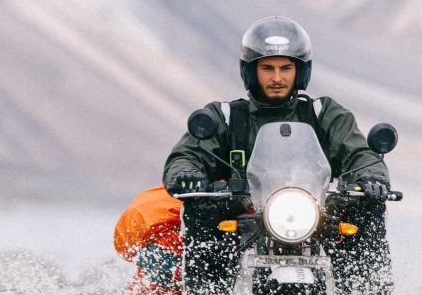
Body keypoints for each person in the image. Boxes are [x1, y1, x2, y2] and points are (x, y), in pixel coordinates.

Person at [162, 17, 390, 198]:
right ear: (251, 72)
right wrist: (186, 173)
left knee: (365, 207)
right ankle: (199, 259)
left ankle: (368, 259)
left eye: (286, 68)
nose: (277, 77)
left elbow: (359, 153)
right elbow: (188, 154)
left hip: (314, 213)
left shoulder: (324, 114)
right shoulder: (224, 117)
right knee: (201, 210)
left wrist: (370, 176)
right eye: (268, 68)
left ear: (300, 71)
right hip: (240, 214)